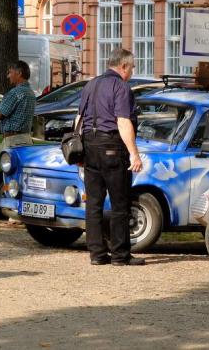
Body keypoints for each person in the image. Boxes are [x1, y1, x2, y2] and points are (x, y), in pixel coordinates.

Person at [77, 48, 143, 266]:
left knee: (93, 203)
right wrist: (134, 154)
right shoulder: (121, 87)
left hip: (89, 146)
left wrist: (80, 151)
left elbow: (78, 118)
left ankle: (96, 253)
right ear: (123, 66)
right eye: (132, 67)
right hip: (112, 147)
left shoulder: (90, 84)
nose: (132, 72)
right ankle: (120, 255)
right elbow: (123, 121)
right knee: (119, 203)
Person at [0, 61, 36, 148]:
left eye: (10, 72)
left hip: (12, 139)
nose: (8, 76)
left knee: (8, 161)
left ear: (19, 73)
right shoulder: (31, 92)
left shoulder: (16, 92)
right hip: (26, 138)